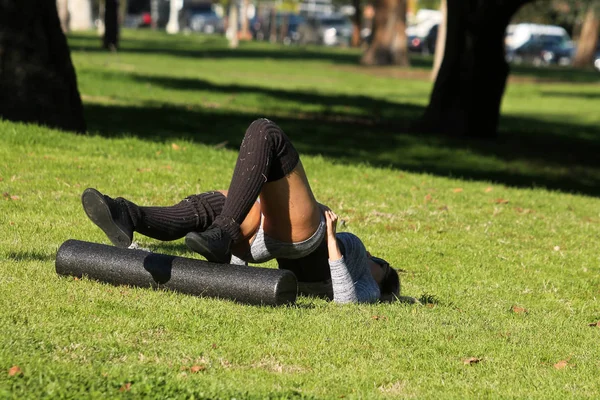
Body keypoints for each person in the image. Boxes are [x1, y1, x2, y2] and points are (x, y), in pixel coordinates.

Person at [81, 118, 400, 303]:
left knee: (268, 133)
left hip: (303, 241)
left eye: (383, 265)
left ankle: (224, 231)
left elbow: (347, 301)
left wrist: (332, 241)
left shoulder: (368, 282)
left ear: (382, 277)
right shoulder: (363, 263)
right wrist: (235, 257)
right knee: (217, 205)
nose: (378, 260)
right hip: (270, 238)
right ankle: (129, 215)